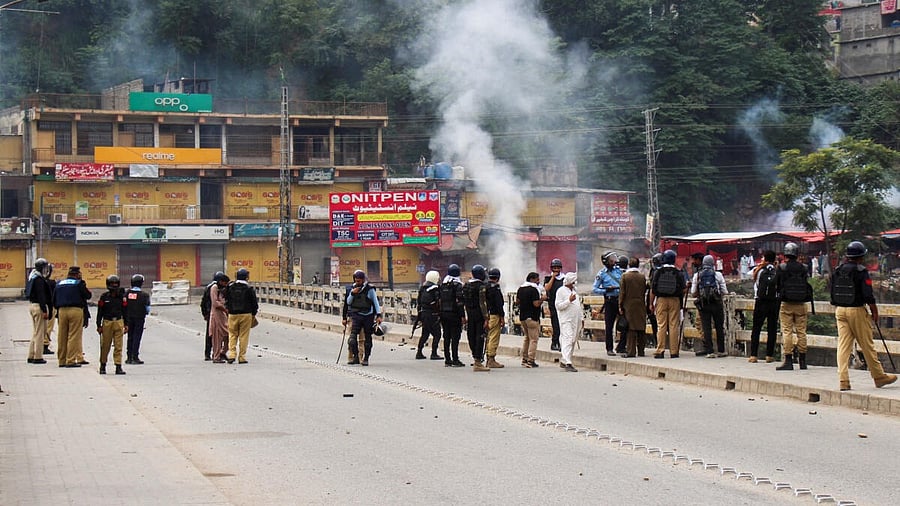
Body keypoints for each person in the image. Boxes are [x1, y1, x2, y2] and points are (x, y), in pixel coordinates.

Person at [830, 241, 897, 391]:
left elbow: (832, 292)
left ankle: (843, 380)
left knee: (843, 346)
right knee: (867, 345)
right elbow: (868, 294)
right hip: (856, 311)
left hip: (840, 310)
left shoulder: (838, 270)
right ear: (861, 256)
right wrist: (874, 311)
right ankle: (879, 377)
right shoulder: (861, 271)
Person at [775, 242, 812, 371]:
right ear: (797, 254)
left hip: (786, 304)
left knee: (787, 331)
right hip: (801, 303)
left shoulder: (782, 267)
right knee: (801, 332)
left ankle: (788, 360)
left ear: (786, 253)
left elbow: (777, 285)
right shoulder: (804, 268)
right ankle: (803, 361)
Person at [52, 266, 92, 368]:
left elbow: (54, 299)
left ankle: (61, 360)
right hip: (75, 310)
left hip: (61, 311)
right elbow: (88, 295)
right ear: (77, 274)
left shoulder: (59, 284)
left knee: (62, 336)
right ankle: (70, 360)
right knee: (73, 336)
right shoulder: (79, 283)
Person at [690, 255, 729, 358]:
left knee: (706, 327)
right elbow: (725, 291)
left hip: (704, 304)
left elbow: (693, 292)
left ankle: (709, 351)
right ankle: (721, 350)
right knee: (719, 326)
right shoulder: (718, 275)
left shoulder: (697, 275)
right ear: (713, 263)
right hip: (716, 304)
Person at [341, 270, 382, 366]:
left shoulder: (369, 289)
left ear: (363, 280)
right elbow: (348, 303)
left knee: (367, 338)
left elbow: (375, 302)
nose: (357, 282)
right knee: (352, 338)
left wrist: (378, 315)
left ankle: (366, 358)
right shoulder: (352, 289)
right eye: (356, 280)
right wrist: (352, 293)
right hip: (356, 315)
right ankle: (355, 357)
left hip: (368, 315)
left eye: (359, 281)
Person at [650, 250, 686, 359]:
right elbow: (683, 289)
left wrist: (651, 303)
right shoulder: (678, 272)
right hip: (675, 300)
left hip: (661, 300)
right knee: (673, 325)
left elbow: (653, 289)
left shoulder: (658, 272)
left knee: (661, 325)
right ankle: (674, 351)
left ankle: (660, 350)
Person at [748, 251, 780, 363]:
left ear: (765, 259)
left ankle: (753, 355)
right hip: (773, 302)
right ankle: (769, 356)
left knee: (756, 328)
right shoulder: (777, 271)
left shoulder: (760, 270)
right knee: (772, 329)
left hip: (760, 301)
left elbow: (756, 286)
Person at [224, 268, 259, 365]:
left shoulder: (230, 287)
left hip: (232, 314)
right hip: (246, 314)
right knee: (244, 336)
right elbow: (254, 303)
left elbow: (226, 299)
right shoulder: (249, 288)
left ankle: (232, 354)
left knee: (232, 335)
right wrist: (253, 313)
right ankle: (242, 357)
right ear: (246, 277)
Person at [592, 251, 622, 356]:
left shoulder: (619, 271)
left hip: (620, 300)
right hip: (609, 300)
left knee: (624, 324)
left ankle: (622, 346)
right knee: (609, 326)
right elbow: (594, 289)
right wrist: (606, 290)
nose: (614, 261)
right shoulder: (602, 274)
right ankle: (609, 348)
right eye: (611, 260)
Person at [96, 275, 127, 375]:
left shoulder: (122, 297)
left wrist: (126, 324)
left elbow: (125, 311)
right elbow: (100, 311)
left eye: (116, 284)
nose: (114, 286)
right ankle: (103, 366)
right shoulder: (104, 297)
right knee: (105, 345)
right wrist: (98, 325)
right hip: (107, 322)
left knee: (118, 346)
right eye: (112, 284)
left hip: (118, 322)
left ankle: (118, 366)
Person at [618, 257, 648, 358]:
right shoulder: (642, 277)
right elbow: (644, 290)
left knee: (631, 328)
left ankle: (631, 351)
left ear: (629, 265)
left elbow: (622, 292)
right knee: (641, 327)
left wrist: (620, 305)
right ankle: (641, 351)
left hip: (629, 305)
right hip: (640, 304)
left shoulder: (625, 277)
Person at [463, 265, 490, 372]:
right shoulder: (481, 286)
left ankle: (475, 357)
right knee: (480, 337)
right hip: (479, 314)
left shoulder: (466, 285)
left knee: (471, 336)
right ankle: (478, 362)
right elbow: (482, 303)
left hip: (470, 313)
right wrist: (486, 318)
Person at [439, 264, 467, 368]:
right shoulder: (458, 285)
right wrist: (463, 316)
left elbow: (440, 301)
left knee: (446, 337)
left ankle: (447, 359)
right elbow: (460, 302)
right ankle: (455, 359)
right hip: (454, 315)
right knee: (455, 338)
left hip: (444, 314)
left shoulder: (443, 285)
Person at [26, 258, 52, 365]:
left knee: (36, 332)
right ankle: (38, 357)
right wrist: (45, 309)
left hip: (32, 306)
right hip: (39, 307)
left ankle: (31, 355)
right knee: (40, 333)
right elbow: (41, 295)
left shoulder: (32, 277)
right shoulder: (39, 280)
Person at [516, 272, 544, 368]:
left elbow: (517, 301)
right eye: (537, 279)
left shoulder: (521, 288)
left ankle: (524, 358)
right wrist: (542, 299)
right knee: (533, 339)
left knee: (527, 338)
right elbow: (536, 304)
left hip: (523, 317)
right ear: (532, 279)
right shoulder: (534, 290)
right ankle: (531, 360)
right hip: (532, 317)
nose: (538, 281)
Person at [555, 272, 582, 372]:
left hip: (576, 320)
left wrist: (581, 318)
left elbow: (578, 305)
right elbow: (558, 306)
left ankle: (565, 359)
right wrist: (569, 301)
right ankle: (568, 362)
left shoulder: (575, 291)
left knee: (573, 339)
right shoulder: (561, 291)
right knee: (568, 338)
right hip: (566, 320)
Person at [415, 270, 443, 360]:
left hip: (423, 314)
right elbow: (438, 303)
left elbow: (418, 303)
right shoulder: (435, 289)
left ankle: (419, 352)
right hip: (432, 315)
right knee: (437, 334)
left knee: (425, 334)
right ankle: (434, 353)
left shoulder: (422, 289)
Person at [125, 274, 151, 364]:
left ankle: (128, 357)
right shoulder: (144, 295)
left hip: (128, 318)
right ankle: (135, 356)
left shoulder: (127, 293)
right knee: (137, 337)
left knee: (130, 336)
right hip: (139, 318)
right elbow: (147, 308)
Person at [200, 271, 225, 361]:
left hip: (210, 313)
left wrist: (204, 314)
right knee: (217, 334)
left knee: (211, 334)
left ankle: (210, 353)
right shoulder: (215, 288)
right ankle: (217, 353)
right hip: (215, 313)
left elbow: (203, 302)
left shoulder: (209, 287)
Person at [484, 267, 505, 369]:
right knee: (494, 336)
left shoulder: (485, 287)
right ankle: (491, 359)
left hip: (486, 315)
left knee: (488, 336)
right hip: (494, 315)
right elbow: (499, 304)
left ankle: (487, 357)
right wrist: (502, 317)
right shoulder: (495, 288)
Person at [543, 258, 564, 351]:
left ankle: (562, 342)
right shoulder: (548, 278)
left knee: (563, 324)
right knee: (555, 324)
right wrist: (553, 278)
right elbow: (547, 288)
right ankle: (555, 342)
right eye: (554, 268)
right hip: (553, 304)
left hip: (563, 304)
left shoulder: (564, 279)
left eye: (558, 268)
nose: (556, 270)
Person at [209, 273, 230, 363]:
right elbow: (215, 303)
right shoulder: (214, 288)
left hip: (222, 316)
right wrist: (225, 309)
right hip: (216, 316)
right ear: (221, 281)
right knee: (217, 338)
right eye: (225, 283)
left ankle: (222, 352)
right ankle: (216, 356)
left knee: (228, 335)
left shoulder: (221, 289)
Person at [43, 263, 57, 355]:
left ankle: (42, 344)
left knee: (42, 327)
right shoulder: (52, 283)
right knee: (49, 327)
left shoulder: (41, 281)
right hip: (51, 306)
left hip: (43, 306)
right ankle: (45, 344)